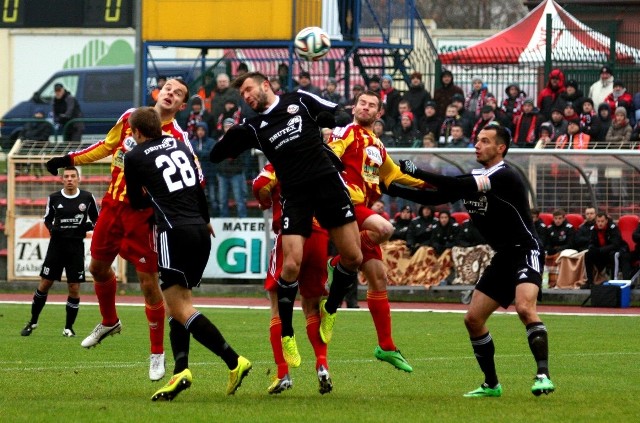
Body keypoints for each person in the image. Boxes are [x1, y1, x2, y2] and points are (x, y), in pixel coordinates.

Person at [391, 122, 555, 397]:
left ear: (500, 148)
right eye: (477, 139)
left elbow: (451, 185)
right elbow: (439, 196)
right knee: (473, 320)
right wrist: (391, 188)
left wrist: (414, 170)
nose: (477, 144)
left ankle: (543, 375)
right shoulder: (477, 176)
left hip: (526, 250)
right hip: (504, 256)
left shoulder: (505, 176)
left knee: (525, 308)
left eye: (485, 140)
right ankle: (492, 384)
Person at [210, 72, 363, 365]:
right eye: (242, 94)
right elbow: (217, 154)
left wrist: (338, 119)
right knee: (290, 264)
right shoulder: (253, 127)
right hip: (295, 194)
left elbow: (336, 114)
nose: (246, 96)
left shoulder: (299, 101)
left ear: (266, 84)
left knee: (353, 258)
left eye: (248, 90)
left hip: (327, 182)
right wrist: (231, 134)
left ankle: (330, 308)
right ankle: (287, 334)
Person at [45, 78, 191, 381]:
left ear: (182, 105)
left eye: (177, 93)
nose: (170, 94)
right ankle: (109, 321)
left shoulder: (178, 137)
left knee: (149, 284)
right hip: (112, 206)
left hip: (144, 216)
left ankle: (156, 354)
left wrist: (190, 215)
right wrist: (69, 159)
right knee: (96, 267)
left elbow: (193, 178)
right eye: (167, 89)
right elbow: (107, 146)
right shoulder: (129, 118)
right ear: (158, 93)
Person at [123, 106, 251, 401]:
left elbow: (135, 201)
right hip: (199, 230)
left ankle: (234, 361)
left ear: (137, 132)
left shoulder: (134, 156)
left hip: (172, 232)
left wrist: (154, 200)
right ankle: (180, 370)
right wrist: (204, 220)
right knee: (178, 303)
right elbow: (198, 189)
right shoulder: (180, 144)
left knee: (180, 308)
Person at [328, 89, 428, 372]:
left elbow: (392, 174)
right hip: (347, 206)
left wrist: (428, 184)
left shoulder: (376, 144)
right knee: (385, 227)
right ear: (354, 106)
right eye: (362, 103)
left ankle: (386, 346)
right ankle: (336, 263)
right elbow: (331, 154)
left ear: (379, 113)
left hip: (362, 212)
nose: (366, 108)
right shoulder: (346, 132)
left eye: (372, 105)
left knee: (379, 278)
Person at [252, 163, 333, 394]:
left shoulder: (281, 159)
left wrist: (265, 202)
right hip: (318, 235)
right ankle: (322, 364)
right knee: (312, 308)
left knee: (277, 305)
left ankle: (282, 373)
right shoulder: (321, 161)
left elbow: (259, 184)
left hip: (291, 235)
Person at [20, 166, 99, 337]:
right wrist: (52, 229)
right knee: (45, 283)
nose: (69, 179)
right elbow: (47, 219)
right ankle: (32, 322)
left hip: (76, 247)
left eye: (72, 176)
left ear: (78, 178)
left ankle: (68, 328)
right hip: (56, 247)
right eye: (66, 176)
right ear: (62, 179)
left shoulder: (87, 197)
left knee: (74, 287)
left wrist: (89, 226)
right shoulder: (54, 198)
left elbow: (97, 219)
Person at [584, 212, 631, 287]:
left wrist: (601, 250)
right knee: (588, 255)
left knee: (613, 254)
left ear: (606, 221)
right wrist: (592, 248)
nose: (600, 223)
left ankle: (614, 280)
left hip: (616, 251)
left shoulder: (613, 228)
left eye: (602, 221)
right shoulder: (593, 229)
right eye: (598, 221)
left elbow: (616, 244)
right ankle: (590, 282)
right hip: (602, 253)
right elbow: (591, 242)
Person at [216, 118, 249, 217]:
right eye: (226, 126)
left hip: (236, 174)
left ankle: (243, 221)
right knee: (222, 200)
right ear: (223, 128)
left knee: (239, 199)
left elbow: (243, 157)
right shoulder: (219, 141)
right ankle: (223, 221)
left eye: (230, 126)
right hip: (222, 175)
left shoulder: (241, 140)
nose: (228, 128)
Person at [189, 121, 218, 216]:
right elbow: (190, 154)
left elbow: (210, 154)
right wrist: (200, 154)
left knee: (212, 197)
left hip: (210, 174)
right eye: (198, 130)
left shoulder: (211, 142)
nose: (200, 132)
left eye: (202, 130)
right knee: (197, 198)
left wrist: (198, 153)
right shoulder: (192, 142)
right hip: (196, 176)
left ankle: (215, 216)